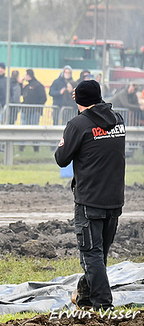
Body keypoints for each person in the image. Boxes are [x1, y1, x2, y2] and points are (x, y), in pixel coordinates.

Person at [54, 80, 125, 311]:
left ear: (78, 100)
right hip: (114, 198)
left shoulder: (78, 125)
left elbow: (61, 158)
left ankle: (103, 305)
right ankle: (84, 296)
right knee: (99, 254)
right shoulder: (118, 120)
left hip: (89, 199)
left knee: (91, 254)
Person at [20, 69, 47, 152]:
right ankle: (21, 147)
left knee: (35, 130)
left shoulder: (38, 85)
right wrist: (20, 84)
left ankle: (36, 148)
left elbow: (43, 98)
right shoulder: (27, 86)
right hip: (25, 111)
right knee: (23, 130)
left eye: (25, 75)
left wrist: (37, 108)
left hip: (34, 112)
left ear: (28, 76)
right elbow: (22, 93)